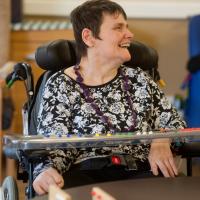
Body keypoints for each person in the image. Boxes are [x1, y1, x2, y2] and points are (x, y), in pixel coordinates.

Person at [33, 0, 186, 195]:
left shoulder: (139, 79)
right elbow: (55, 146)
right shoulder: (60, 84)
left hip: (141, 173)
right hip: (84, 175)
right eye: (118, 27)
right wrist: (46, 170)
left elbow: (175, 122)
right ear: (89, 37)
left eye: (127, 26)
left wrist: (162, 140)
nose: (129, 34)